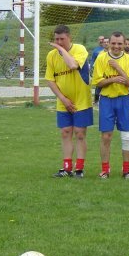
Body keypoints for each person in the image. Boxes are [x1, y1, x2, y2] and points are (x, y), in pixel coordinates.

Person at [45, 24, 93, 178]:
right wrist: (63, 99)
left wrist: (61, 50)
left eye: (62, 39)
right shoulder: (51, 56)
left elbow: (72, 65)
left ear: (69, 37)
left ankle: (79, 169)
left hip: (82, 100)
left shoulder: (79, 49)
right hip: (63, 101)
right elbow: (50, 80)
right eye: (56, 39)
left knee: (80, 133)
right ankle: (66, 168)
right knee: (65, 132)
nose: (59, 42)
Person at [93, 31, 129, 178]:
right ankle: (105, 170)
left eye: (119, 43)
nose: (116, 46)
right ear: (109, 43)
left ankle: (127, 170)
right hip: (107, 100)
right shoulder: (101, 58)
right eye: (113, 43)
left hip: (124, 100)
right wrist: (113, 80)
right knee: (106, 136)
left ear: (124, 44)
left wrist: (117, 68)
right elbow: (98, 82)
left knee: (126, 137)